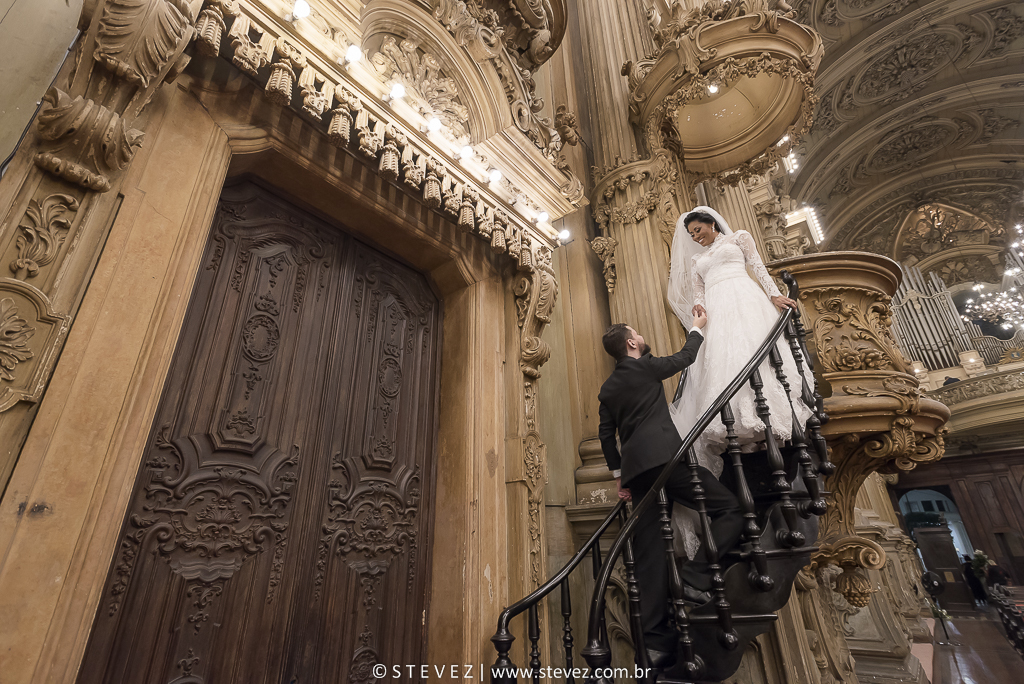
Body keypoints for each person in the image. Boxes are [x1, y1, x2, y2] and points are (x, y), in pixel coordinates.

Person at [665, 206, 816, 558]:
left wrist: (774, 295)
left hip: (744, 297)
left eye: (699, 229)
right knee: (725, 359)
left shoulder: (739, 239)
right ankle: (744, 426)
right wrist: (699, 312)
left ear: (712, 223)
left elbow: (758, 267)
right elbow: (698, 292)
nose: (696, 237)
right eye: (691, 234)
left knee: (753, 351)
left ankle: (771, 422)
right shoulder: (697, 261)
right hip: (718, 307)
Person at [598, 318, 743, 666]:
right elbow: (685, 358)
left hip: (637, 471)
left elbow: (605, 435)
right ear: (631, 344)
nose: (641, 336)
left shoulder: (608, 388)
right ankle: (694, 576)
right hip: (667, 460)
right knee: (731, 508)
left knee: (649, 551)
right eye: (637, 334)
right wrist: (697, 328)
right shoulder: (646, 367)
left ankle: (654, 642)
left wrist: (619, 475)